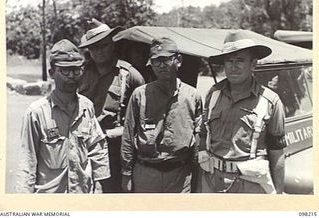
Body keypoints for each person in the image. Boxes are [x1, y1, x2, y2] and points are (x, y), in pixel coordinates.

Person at [15, 39, 110, 193]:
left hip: (81, 195)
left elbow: (97, 147)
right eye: (64, 70)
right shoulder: (37, 112)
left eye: (76, 70)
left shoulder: (86, 107)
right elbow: (27, 161)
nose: (71, 76)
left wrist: (99, 183)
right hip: (51, 200)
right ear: (52, 73)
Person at [198, 29, 286, 194]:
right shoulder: (214, 94)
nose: (233, 67)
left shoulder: (269, 101)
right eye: (229, 61)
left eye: (239, 60)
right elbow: (203, 134)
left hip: (250, 184)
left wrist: (278, 196)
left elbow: (277, 152)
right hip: (213, 182)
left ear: (253, 64)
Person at [121, 37, 202, 193]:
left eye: (165, 60)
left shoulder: (193, 96)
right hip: (146, 174)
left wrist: (197, 175)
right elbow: (128, 137)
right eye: (155, 61)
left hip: (180, 176)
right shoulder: (140, 94)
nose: (160, 66)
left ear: (178, 60)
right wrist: (126, 174)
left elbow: (199, 140)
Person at [78, 19, 145, 192]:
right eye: (93, 47)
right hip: (83, 146)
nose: (98, 51)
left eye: (103, 45)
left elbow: (142, 117)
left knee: (113, 195)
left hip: (114, 149)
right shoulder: (81, 73)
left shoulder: (129, 75)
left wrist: (120, 132)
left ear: (112, 45)